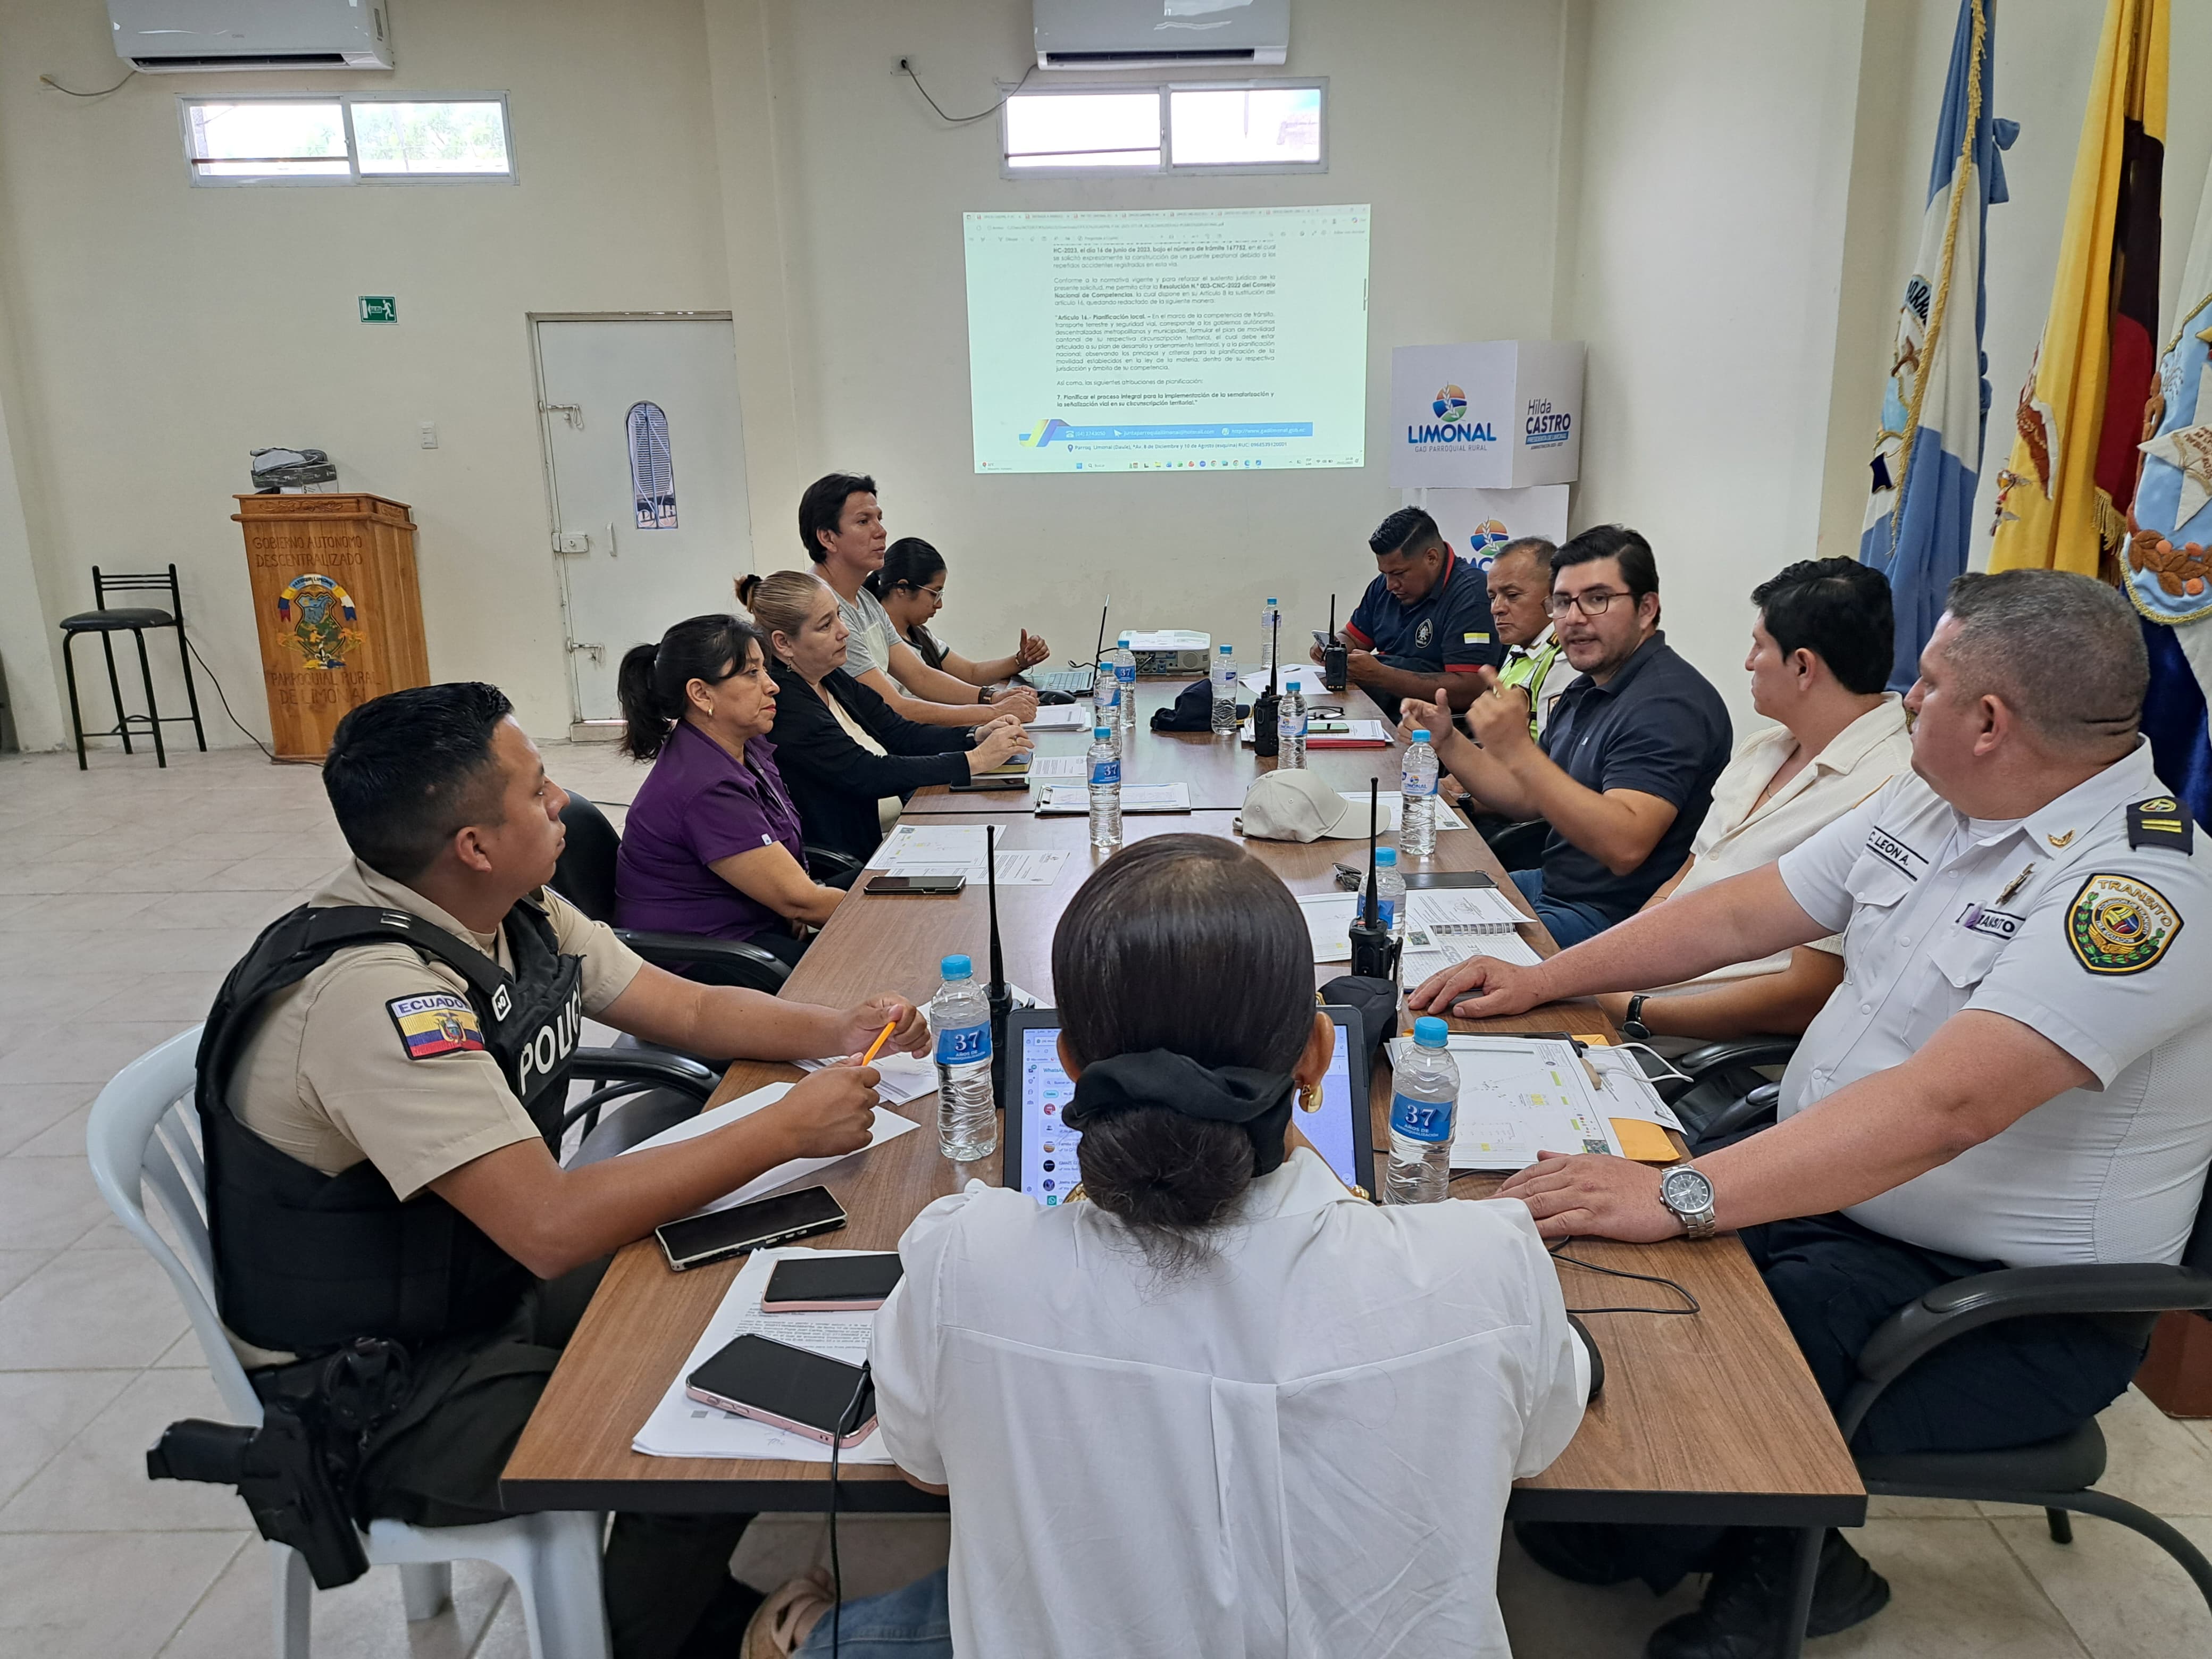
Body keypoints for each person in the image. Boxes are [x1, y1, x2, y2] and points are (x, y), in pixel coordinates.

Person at [1410, 569, 2212, 1656]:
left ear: (1990, 721)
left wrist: (1681, 1193)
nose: (1904, 699)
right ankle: (1721, 1525)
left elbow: (1948, 1107)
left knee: (1638, 1443)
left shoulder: (2140, 893)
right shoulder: (1940, 796)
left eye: (1928, 683)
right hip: (1835, 1197)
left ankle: (1790, 1579)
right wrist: (1544, 978)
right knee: (1592, 1290)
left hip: (1993, 1300)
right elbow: (1743, 911)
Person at [198, 682, 931, 1659]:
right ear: (473, 845)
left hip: (470, 1284)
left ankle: (692, 1603)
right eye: (539, 790)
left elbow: (686, 1007)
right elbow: (548, 1227)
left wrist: (833, 1029)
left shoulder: (512, 910)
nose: (563, 805)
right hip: (377, 1389)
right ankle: (656, 1637)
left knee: (732, 1274)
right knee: (714, 1427)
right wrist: (785, 1128)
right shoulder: (376, 1000)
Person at [744, 835, 1588, 1658]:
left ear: (1068, 1066)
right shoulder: (1487, 1266)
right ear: (1319, 1055)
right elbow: (1534, 1449)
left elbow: (928, 1469)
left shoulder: (966, 1262)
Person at [1597, 558, 1913, 1049]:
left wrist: (1636, 1009)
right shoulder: (1763, 749)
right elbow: (1685, 881)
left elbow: (1805, 992)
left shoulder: (1890, 787)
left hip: (1701, 1043)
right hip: (1642, 996)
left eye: (1760, 646)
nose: (1748, 662)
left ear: (1803, 667)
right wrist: (1612, 967)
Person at [1401, 525, 1731, 948]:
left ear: (1647, 609)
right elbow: (1526, 798)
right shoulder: (1586, 687)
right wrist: (1448, 740)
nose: (1573, 618)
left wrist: (1517, 749)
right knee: (1399, 904)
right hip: (1553, 886)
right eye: (1562, 602)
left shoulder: (1667, 705)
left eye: (1597, 599)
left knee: (1422, 951)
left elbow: (1625, 847)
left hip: (1610, 918)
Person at [739, 569, 1031, 864]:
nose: (844, 631)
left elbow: (898, 732)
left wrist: (975, 735)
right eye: (826, 625)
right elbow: (865, 772)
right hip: (857, 854)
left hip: (898, 824)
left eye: (839, 616)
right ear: (784, 643)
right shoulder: (785, 702)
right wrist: (974, 760)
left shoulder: (830, 676)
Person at [613, 613, 845, 967]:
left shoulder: (743, 745)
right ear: (701, 693)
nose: (772, 686)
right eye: (752, 673)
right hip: (716, 957)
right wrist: (801, 902)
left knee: (877, 884)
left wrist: (798, 898)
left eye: (765, 670)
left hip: (757, 924)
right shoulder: (704, 785)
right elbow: (800, 902)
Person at [797, 473, 1040, 728]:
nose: (881, 532)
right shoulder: (820, 608)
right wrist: (994, 711)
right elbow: (891, 706)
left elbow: (920, 676)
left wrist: (993, 698)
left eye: (879, 519)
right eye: (863, 521)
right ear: (827, 538)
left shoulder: (865, 600)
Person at [1308, 506, 1504, 722]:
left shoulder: (1472, 595)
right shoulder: (1384, 587)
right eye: (1385, 574)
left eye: (1399, 573)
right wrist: (1334, 648)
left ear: (1432, 558)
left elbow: (1470, 689)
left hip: (1434, 726)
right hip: (1380, 711)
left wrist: (1382, 676)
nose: (1390, 585)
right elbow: (1353, 638)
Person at [866, 535, 1052, 694]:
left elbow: (972, 673)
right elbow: (900, 707)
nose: (939, 605)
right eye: (934, 593)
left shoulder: (919, 635)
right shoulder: (876, 642)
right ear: (902, 589)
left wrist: (1021, 660)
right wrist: (990, 702)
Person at [1486, 535, 1577, 739]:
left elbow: (1553, 753)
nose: (1496, 608)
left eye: (1512, 595)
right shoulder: (1520, 645)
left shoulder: (1564, 658)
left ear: (1553, 597)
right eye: (1492, 597)